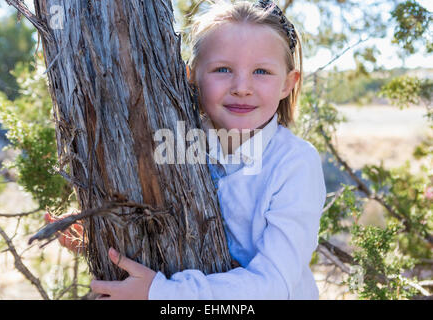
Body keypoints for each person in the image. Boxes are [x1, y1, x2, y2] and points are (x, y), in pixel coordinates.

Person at [47, 0, 327, 300]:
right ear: (191, 76)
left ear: (288, 83)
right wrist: (105, 236)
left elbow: (273, 286)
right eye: (222, 69)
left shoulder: (294, 163)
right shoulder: (176, 142)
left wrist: (161, 293)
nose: (242, 87)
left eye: (261, 71)